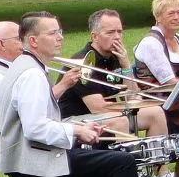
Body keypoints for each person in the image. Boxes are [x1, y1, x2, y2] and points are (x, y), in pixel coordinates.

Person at [0, 13, 169, 177]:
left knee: (104, 159)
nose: (60, 37)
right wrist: (76, 132)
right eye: (52, 33)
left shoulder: (26, 66)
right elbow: (35, 128)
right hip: (32, 162)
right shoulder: (31, 75)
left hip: (27, 158)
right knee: (122, 161)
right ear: (32, 40)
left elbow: (37, 122)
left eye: (60, 31)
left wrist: (77, 129)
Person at [60, 9, 170, 137]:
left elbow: (134, 96)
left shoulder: (115, 57)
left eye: (119, 32)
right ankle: (127, 157)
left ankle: (157, 157)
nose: (117, 37)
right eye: (110, 32)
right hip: (73, 120)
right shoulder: (83, 62)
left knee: (156, 113)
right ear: (94, 36)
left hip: (107, 115)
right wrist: (126, 108)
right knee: (120, 120)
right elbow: (97, 108)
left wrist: (126, 65)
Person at [134, 0, 179, 85]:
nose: (176, 17)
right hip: (157, 96)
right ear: (158, 17)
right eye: (171, 13)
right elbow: (168, 82)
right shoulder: (151, 42)